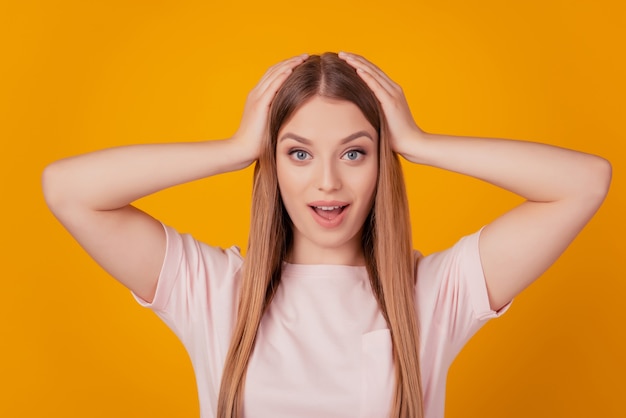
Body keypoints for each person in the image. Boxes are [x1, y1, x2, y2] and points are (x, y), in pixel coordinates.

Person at [42, 52, 611, 418]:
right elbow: (67, 189)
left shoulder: (432, 296)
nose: (328, 182)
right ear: (275, 163)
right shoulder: (216, 292)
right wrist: (234, 150)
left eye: (355, 153)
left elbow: (585, 182)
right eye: (298, 153)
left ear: (381, 162)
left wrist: (419, 143)